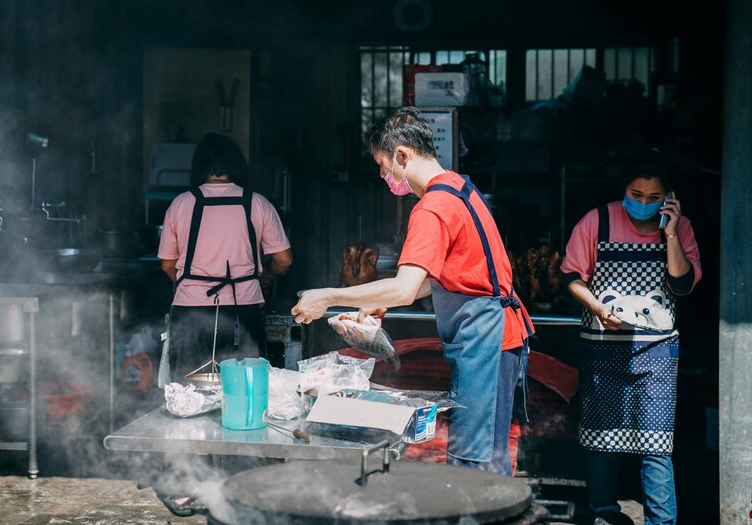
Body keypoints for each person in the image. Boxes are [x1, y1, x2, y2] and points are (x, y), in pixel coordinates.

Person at [292, 106, 534, 475]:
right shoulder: (459, 186)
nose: (382, 175)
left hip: (487, 339)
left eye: (382, 164)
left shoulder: (432, 208)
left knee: (474, 460)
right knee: (487, 452)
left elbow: (405, 288)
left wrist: (327, 296)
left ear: (402, 154)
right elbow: (439, 276)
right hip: (496, 335)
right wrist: (376, 301)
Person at [560, 149, 702, 525]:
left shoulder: (679, 228)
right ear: (625, 189)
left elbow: (682, 283)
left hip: (657, 352)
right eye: (636, 194)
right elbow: (571, 276)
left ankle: (661, 520)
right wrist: (596, 306)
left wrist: (670, 233)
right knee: (601, 437)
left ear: (668, 197)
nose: (642, 203)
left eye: (653, 198)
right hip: (601, 349)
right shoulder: (598, 221)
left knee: (655, 443)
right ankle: (605, 512)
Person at [158, 132, 293, 384]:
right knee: (244, 387)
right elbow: (284, 259)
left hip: (191, 312)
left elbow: (167, 264)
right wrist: (266, 273)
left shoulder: (181, 204)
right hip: (243, 311)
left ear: (199, 167)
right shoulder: (258, 204)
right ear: (237, 166)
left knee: (188, 391)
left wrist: (190, 286)